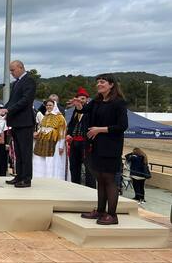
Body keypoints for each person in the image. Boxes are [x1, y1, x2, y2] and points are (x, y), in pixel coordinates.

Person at [71, 73, 128, 225]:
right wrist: (78, 105)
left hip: (111, 146)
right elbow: (84, 111)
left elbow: (122, 126)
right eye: (98, 82)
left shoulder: (118, 103)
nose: (99, 84)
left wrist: (100, 129)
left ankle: (112, 215)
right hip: (96, 145)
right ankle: (101, 211)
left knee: (109, 180)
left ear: (111, 85)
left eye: (102, 82)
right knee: (100, 179)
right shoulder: (97, 101)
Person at [0, 60, 37, 188]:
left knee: (25, 152)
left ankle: (26, 178)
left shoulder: (29, 81)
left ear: (20, 67)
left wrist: (8, 110)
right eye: (10, 70)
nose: (11, 73)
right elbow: (12, 101)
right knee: (18, 152)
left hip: (25, 122)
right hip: (16, 122)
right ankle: (19, 175)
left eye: (13, 70)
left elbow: (25, 100)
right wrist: (2, 109)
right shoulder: (16, 83)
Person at [67, 87, 96, 188]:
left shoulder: (91, 109)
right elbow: (72, 124)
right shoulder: (75, 111)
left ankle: (90, 189)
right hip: (75, 142)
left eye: (82, 99)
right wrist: (69, 133)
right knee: (74, 166)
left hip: (86, 142)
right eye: (79, 98)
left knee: (89, 168)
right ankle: (75, 187)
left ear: (87, 99)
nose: (80, 100)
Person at [33, 100, 68, 179]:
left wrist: (61, 146)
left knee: (52, 161)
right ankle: (41, 176)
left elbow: (62, 131)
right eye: (47, 105)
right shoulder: (46, 116)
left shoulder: (60, 117)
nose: (48, 107)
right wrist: (38, 132)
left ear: (54, 106)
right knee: (41, 159)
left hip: (54, 142)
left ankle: (52, 177)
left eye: (50, 105)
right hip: (43, 141)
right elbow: (42, 127)